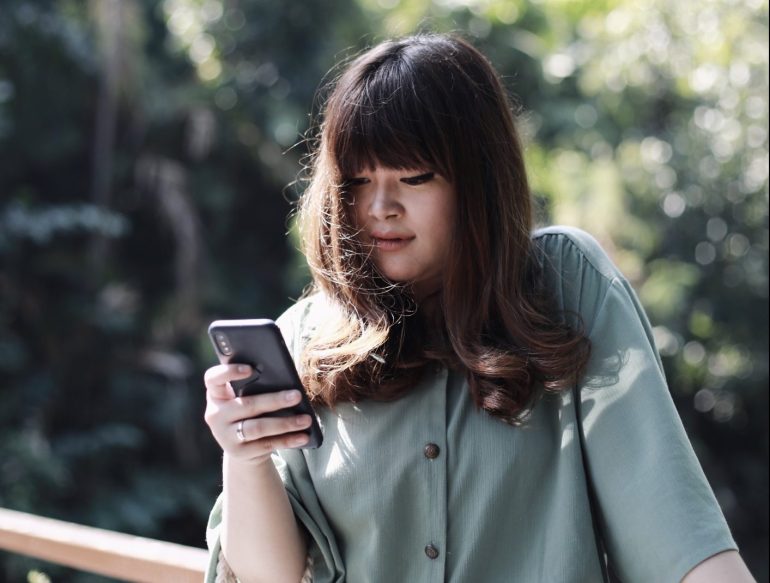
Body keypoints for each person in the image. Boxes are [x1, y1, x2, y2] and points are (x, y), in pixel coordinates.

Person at [202, 34, 754, 583]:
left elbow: (676, 535)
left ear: (478, 179)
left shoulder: (566, 286)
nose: (379, 208)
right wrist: (245, 457)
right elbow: (269, 576)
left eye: (413, 178)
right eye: (356, 181)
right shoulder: (304, 340)